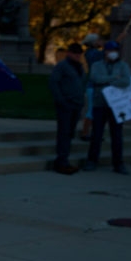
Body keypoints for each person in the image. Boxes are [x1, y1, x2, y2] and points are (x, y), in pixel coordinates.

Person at [83, 40, 131, 173]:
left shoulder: (123, 65)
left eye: (115, 51)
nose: (113, 53)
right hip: (100, 103)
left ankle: (118, 163)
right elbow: (95, 79)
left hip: (117, 105)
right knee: (96, 134)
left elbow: (126, 81)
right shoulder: (97, 65)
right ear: (105, 52)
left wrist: (108, 80)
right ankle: (92, 160)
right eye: (111, 50)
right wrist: (113, 78)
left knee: (117, 135)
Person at [48, 42, 86, 175]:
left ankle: (64, 159)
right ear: (69, 53)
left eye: (79, 53)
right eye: (75, 53)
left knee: (69, 133)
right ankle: (61, 161)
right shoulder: (62, 66)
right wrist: (61, 100)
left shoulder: (79, 67)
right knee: (64, 132)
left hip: (76, 103)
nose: (77, 56)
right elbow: (53, 82)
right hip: (66, 104)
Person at [80, 33, 104, 140]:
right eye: (99, 40)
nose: (101, 42)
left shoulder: (93, 53)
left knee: (96, 111)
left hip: (96, 85)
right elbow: (103, 53)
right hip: (92, 86)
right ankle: (85, 133)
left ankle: (94, 133)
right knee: (91, 110)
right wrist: (118, 40)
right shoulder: (91, 54)